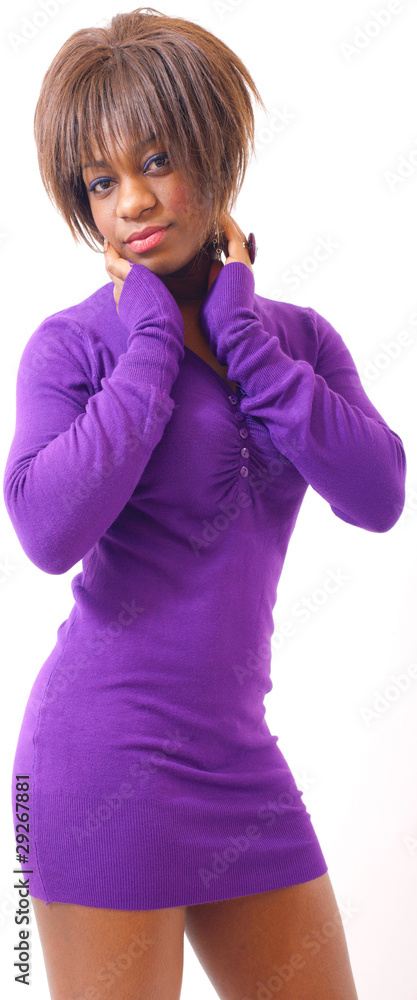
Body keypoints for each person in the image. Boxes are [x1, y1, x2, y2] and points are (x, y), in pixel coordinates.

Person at [3, 7, 406, 999]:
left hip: (239, 759)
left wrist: (242, 332)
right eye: (101, 182)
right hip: (102, 760)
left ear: (215, 152)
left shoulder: (297, 338)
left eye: (156, 160)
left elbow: (378, 494)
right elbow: (48, 532)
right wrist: (149, 338)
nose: (133, 201)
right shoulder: (74, 346)